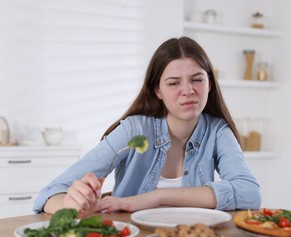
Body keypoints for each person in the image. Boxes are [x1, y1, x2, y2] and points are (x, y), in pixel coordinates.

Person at [33, 36, 261, 217]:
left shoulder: (218, 132)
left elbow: (249, 193)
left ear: (209, 83)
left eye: (197, 79)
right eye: (174, 83)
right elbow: (49, 195)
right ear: (158, 91)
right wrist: (75, 206)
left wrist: (157, 197)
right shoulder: (134, 131)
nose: (188, 90)